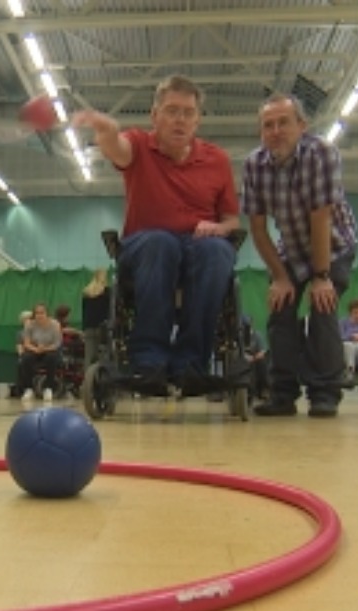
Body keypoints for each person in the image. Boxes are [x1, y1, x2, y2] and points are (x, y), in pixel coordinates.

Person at [72, 74, 241, 396]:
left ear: (198, 119)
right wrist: (107, 132)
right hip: (145, 245)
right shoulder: (138, 143)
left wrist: (219, 229)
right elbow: (117, 149)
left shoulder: (216, 159)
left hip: (198, 245)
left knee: (218, 251)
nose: (180, 119)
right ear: (155, 116)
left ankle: (191, 364)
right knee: (161, 243)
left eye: (188, 112)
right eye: (172, 110)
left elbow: (232, 219)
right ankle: (149, 362)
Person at [241, 93, 358, 418]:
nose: (276, 131)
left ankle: (325, 393)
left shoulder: (321, 153)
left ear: (302, 126)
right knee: (280, 311)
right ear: (261, 132)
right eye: (268, 125)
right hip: (291, 250)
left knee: (323, 308)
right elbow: (258, 228)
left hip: (334, 244)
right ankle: (282, 392)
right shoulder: (254, 165)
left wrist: (321, 278)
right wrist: (280, 277)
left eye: (283, 123)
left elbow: (320, 219)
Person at [17, 302, 63, 401]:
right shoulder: (29, 324)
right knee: (26, 358)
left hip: (50, 349)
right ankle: (29, 389)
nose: (39, 315)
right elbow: (26, 343)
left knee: (52, 357)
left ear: (47, 314)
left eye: (42, 313)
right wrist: (35, 349)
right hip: (35, 349)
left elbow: (57, 343)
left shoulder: (55, 324)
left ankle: (48, 388)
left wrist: (45, 349)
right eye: (37, 313)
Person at [80, 268, 111, 368]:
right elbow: (109, 310)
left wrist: (84, 328)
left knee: (88, 356)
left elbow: (84, 311)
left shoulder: (86, 292)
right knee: (103, 355)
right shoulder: (107, 292)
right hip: (103, 326)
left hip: (89, 326)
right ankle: (101, 378)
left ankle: (87, 380)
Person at [8, 309, 33, 398]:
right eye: (25, 320)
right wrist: (22, 354)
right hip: (26, 355)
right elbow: (19, 347)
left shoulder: (38, 332)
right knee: (22, 362)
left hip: (37, 354)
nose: (28, 322)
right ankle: (22, 388)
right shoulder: (20, 334)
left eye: (30, 319)